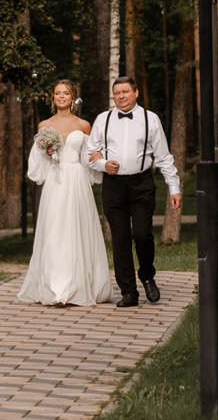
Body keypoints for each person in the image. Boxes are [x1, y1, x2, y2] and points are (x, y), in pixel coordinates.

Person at [87, 75, 182, 307]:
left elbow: (163, 157)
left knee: (142, 235)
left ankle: (148, 276)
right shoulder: (103, 119)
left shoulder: (151, 119)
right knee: (120, 240)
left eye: (125, 92)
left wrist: (174, 187)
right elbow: (89, 153)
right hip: (113, 185)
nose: (120, 96)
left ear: (136, 93)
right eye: (117, 93)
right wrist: (103, 165)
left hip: (141, 185)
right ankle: (129, 291)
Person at [17, 79, 113, 307]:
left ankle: (79, 286)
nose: (61, 97)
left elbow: (89, 157)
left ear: (73, 98)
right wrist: (48, 152)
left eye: (66, 93)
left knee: (78, 228)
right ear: (53, 97)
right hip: (55, 180)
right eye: (57, 93)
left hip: (77, 180)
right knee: (55, 230)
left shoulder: (84, 125)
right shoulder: (44, 125)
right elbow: (37, 161)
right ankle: (54, 286)